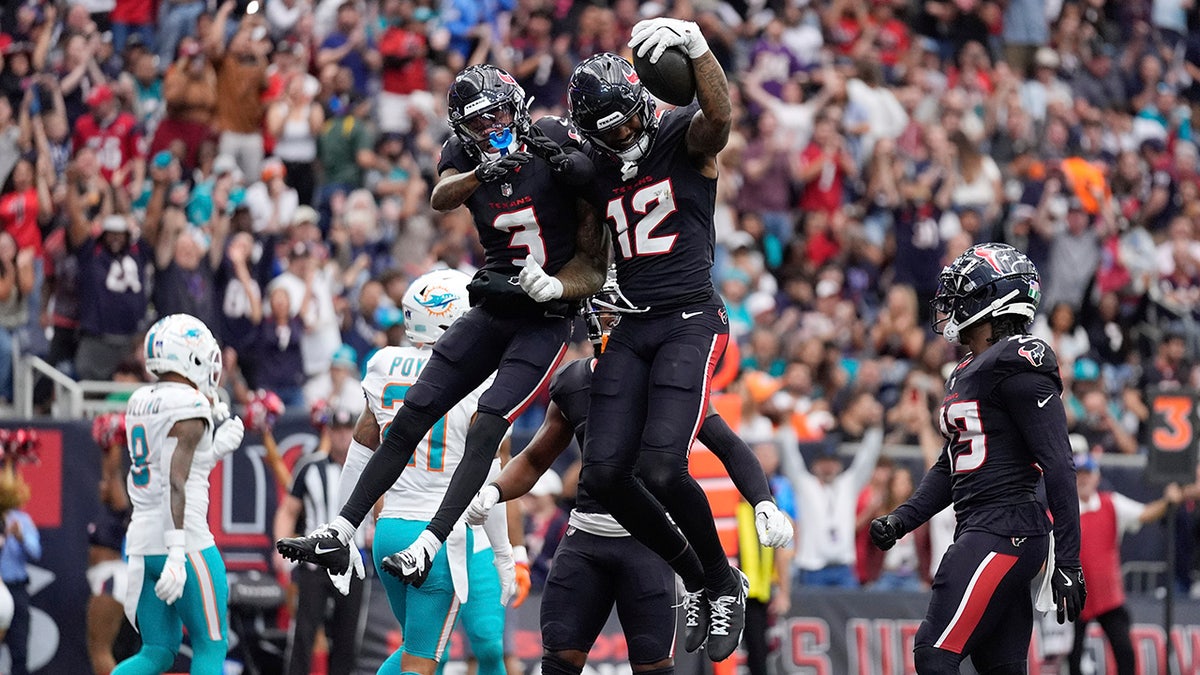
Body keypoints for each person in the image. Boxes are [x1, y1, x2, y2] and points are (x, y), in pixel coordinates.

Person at [276, 64, 607, 591]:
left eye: (499, 113)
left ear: (517, 106)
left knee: (488, 423)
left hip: (543, 319)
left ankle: (430, 543)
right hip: (496, 304)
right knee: (413, 412)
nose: (493, 126)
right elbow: (441, 195)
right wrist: (482, 174)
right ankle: (341, 529)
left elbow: (594, 252)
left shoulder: (552, 137)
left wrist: (561, 288)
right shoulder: (461, 155)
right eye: (479, 121)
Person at [462, 278, 793, 675]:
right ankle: (713, 580)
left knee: (652, 666)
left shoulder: (665, 377)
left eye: (615, 312)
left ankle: (716, 581)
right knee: (559, 663)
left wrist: (763, 500)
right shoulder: (575, 380)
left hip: (649, 544)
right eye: (603, 313)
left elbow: (729, 445)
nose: (608, 321)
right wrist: (493, 490)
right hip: (585, 535)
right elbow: (534, 460)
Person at [563, 19, 749, 660]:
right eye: (608, 128)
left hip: (690, 318)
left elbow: (718, 121)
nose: (624, 133)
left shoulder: (677, 134)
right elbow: (589, 261)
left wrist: (698, 49)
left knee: (662, 467)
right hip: (633, 323)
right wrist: (545, 283)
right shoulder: (595, 170)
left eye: (627, 118)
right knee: (609, 474)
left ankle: (723, 581)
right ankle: (701, 579)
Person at [869, 243, 1086, 674]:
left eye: (964, 293)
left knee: (934, 651)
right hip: (990, 528)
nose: (954, 303)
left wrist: (1070, 559)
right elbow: (953, 463)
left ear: (995, 301)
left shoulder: (1020, 358)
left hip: (1003, 528)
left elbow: (1059, 463)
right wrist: (902, 520)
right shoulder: (968, 368)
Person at [336, 268, 509, 675]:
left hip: (389, 529)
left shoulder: (383, 364)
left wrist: (344, 525)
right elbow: (492, 471)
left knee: (420, 649)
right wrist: (503, 551)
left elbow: (361, 448)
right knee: (421, 661)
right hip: (437, 538)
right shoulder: (481, 376)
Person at [113, 314, 245, 675]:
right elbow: (174, 479)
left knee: (156, 652)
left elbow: (169, 464)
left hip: (142, 541)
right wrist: (176, 551)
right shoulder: (189, 403)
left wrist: (213, 450)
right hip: (183, 541)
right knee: (211, 645)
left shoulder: (140, 399)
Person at [1067, 453, 1181, 675]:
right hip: (1074, 599)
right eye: (1079, 475)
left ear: (1096, 477)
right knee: (1072, 658)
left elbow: (1145, 514)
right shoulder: (1064, 512)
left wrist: (1168, 501)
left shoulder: (1111, 503)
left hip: (1108, 596)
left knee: (1125, 654)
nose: (1083, 479)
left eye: (1087, 474)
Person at [273, 408, 363, 675]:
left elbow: (381, 510)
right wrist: (280, 545)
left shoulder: (367, 467)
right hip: (314, 563)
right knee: (304, 631)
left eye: (347, 430)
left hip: (353, 562)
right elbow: (289, 510)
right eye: (337, 430)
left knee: (347, 636)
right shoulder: (311, 467)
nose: (342, 437)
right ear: (329, 432)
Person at [1, 507, 39, 675]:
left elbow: (36, 551)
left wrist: (20, 536)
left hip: (16, 589)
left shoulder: (22, 519)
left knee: (19, 651)